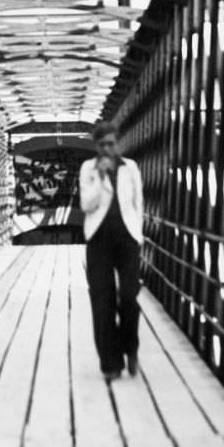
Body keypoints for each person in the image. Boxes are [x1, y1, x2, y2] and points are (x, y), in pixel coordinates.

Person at [79, 120, 143, 382]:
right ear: (96, 146)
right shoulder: (89, 168)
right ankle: (110, 363)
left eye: (112, 144)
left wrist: (138, 234)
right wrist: (100, 178)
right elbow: (86, 204)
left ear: (118, 143)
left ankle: (131, 348)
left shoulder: (131, 168)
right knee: (102, 302)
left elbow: (139, 202)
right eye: (103, 145)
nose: (108, 149)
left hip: (127, 238)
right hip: (99, 240)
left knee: (129, 296)